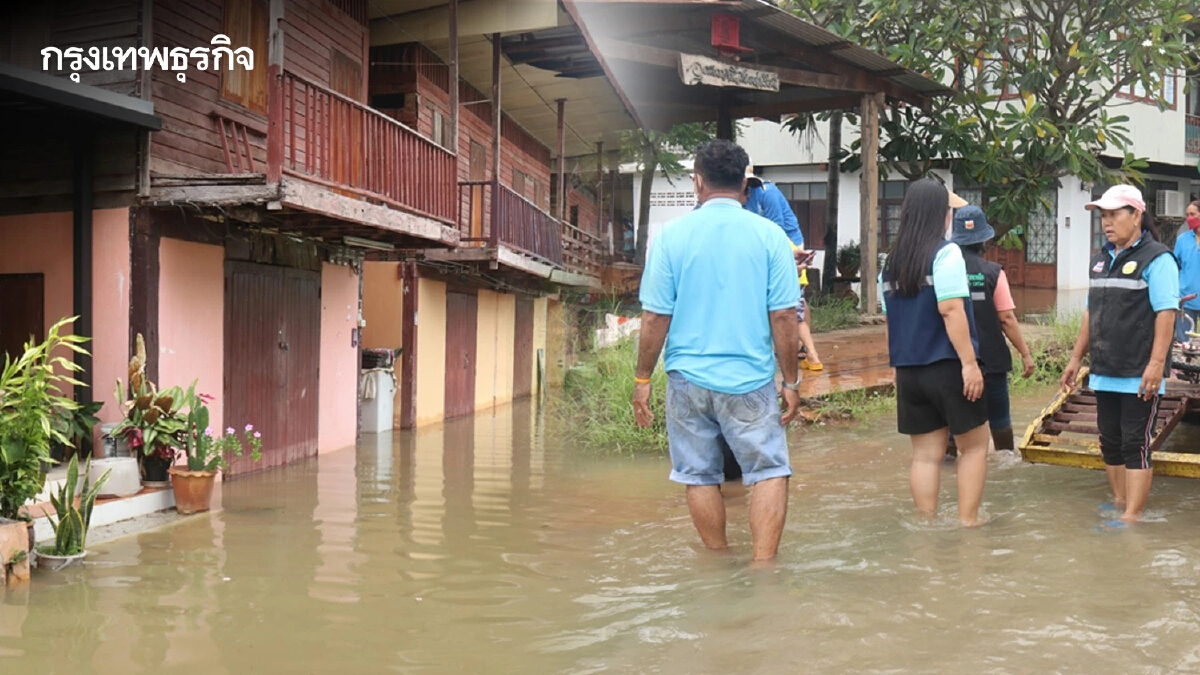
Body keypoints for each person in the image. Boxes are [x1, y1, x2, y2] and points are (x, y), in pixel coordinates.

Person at [633, 139, 801, 561]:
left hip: (687, 382)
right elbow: (784, 317)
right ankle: (764, 570)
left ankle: (718, 561)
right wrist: (791, 380)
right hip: (749, 381)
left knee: (699, 475)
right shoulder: (771, 237)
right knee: (768, 472)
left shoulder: (672, 237)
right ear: (744, 182)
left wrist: (641, 380)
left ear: (698, 181)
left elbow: (655, 319)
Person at [1061, 185, 1179, 525]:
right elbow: (1089, 314)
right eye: (1104, 216)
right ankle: (1118, 501)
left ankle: (1132, 518)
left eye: (1114, 215)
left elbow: (1166, 314)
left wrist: (1156, 365)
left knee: (1134, 445)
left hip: (1139, 373)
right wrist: (1074, 359)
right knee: (1109, 442)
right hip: (1103, 370)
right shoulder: (1100, 261)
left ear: (1136, 215)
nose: (1107, 223)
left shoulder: (1157, 259)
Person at [880, 179, 990, 526]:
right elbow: (951, 310)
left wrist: (897, 368)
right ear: (939, 214)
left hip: (909, 370)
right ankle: (968, 524)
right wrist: (970, 364)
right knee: (973, 447)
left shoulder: (891, 262)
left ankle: (926, 526)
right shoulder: (946, 253)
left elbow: (891, 321)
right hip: (947, 365)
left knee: (926, 457)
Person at [944, 205, 1036, 458]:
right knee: (999, 417)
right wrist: (1026, 355)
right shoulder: (993, 272)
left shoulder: (941, 269)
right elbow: (1006, 318)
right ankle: (1006, 461)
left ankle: (949, 464)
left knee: (954, 420)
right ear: (984, 239)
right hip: (991, 360)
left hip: (952, 359)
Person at [744, 169, 823, 370]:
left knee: (792, 302)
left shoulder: (766, 192)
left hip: (787, 243)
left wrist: (784, 261)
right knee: (795, 302)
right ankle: (800, 348)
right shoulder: (740, 197)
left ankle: (808, 352)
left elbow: (776, 231)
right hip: (764, 248)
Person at [1173, 200, 1200, 344]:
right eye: (1187, 215)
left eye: (1193, 214)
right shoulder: (1182, 240)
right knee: (1183, 345)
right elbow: (1174, 267)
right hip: (1185, 300)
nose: (1189, 218)